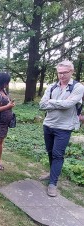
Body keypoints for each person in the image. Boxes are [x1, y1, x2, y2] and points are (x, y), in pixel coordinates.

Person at [39, 60, 84, 197]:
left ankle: (53, 183)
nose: (62, 75)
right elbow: (41, 105)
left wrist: (51, 102)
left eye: (65, 72)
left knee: (58, 154)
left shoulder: (78, 87)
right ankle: (52, 173)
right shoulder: (52, 87)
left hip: (64, 127)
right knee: (50, 151)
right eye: (59, 73)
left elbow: (69, 104)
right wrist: (59, 103)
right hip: (48, 124)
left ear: (71, 72)